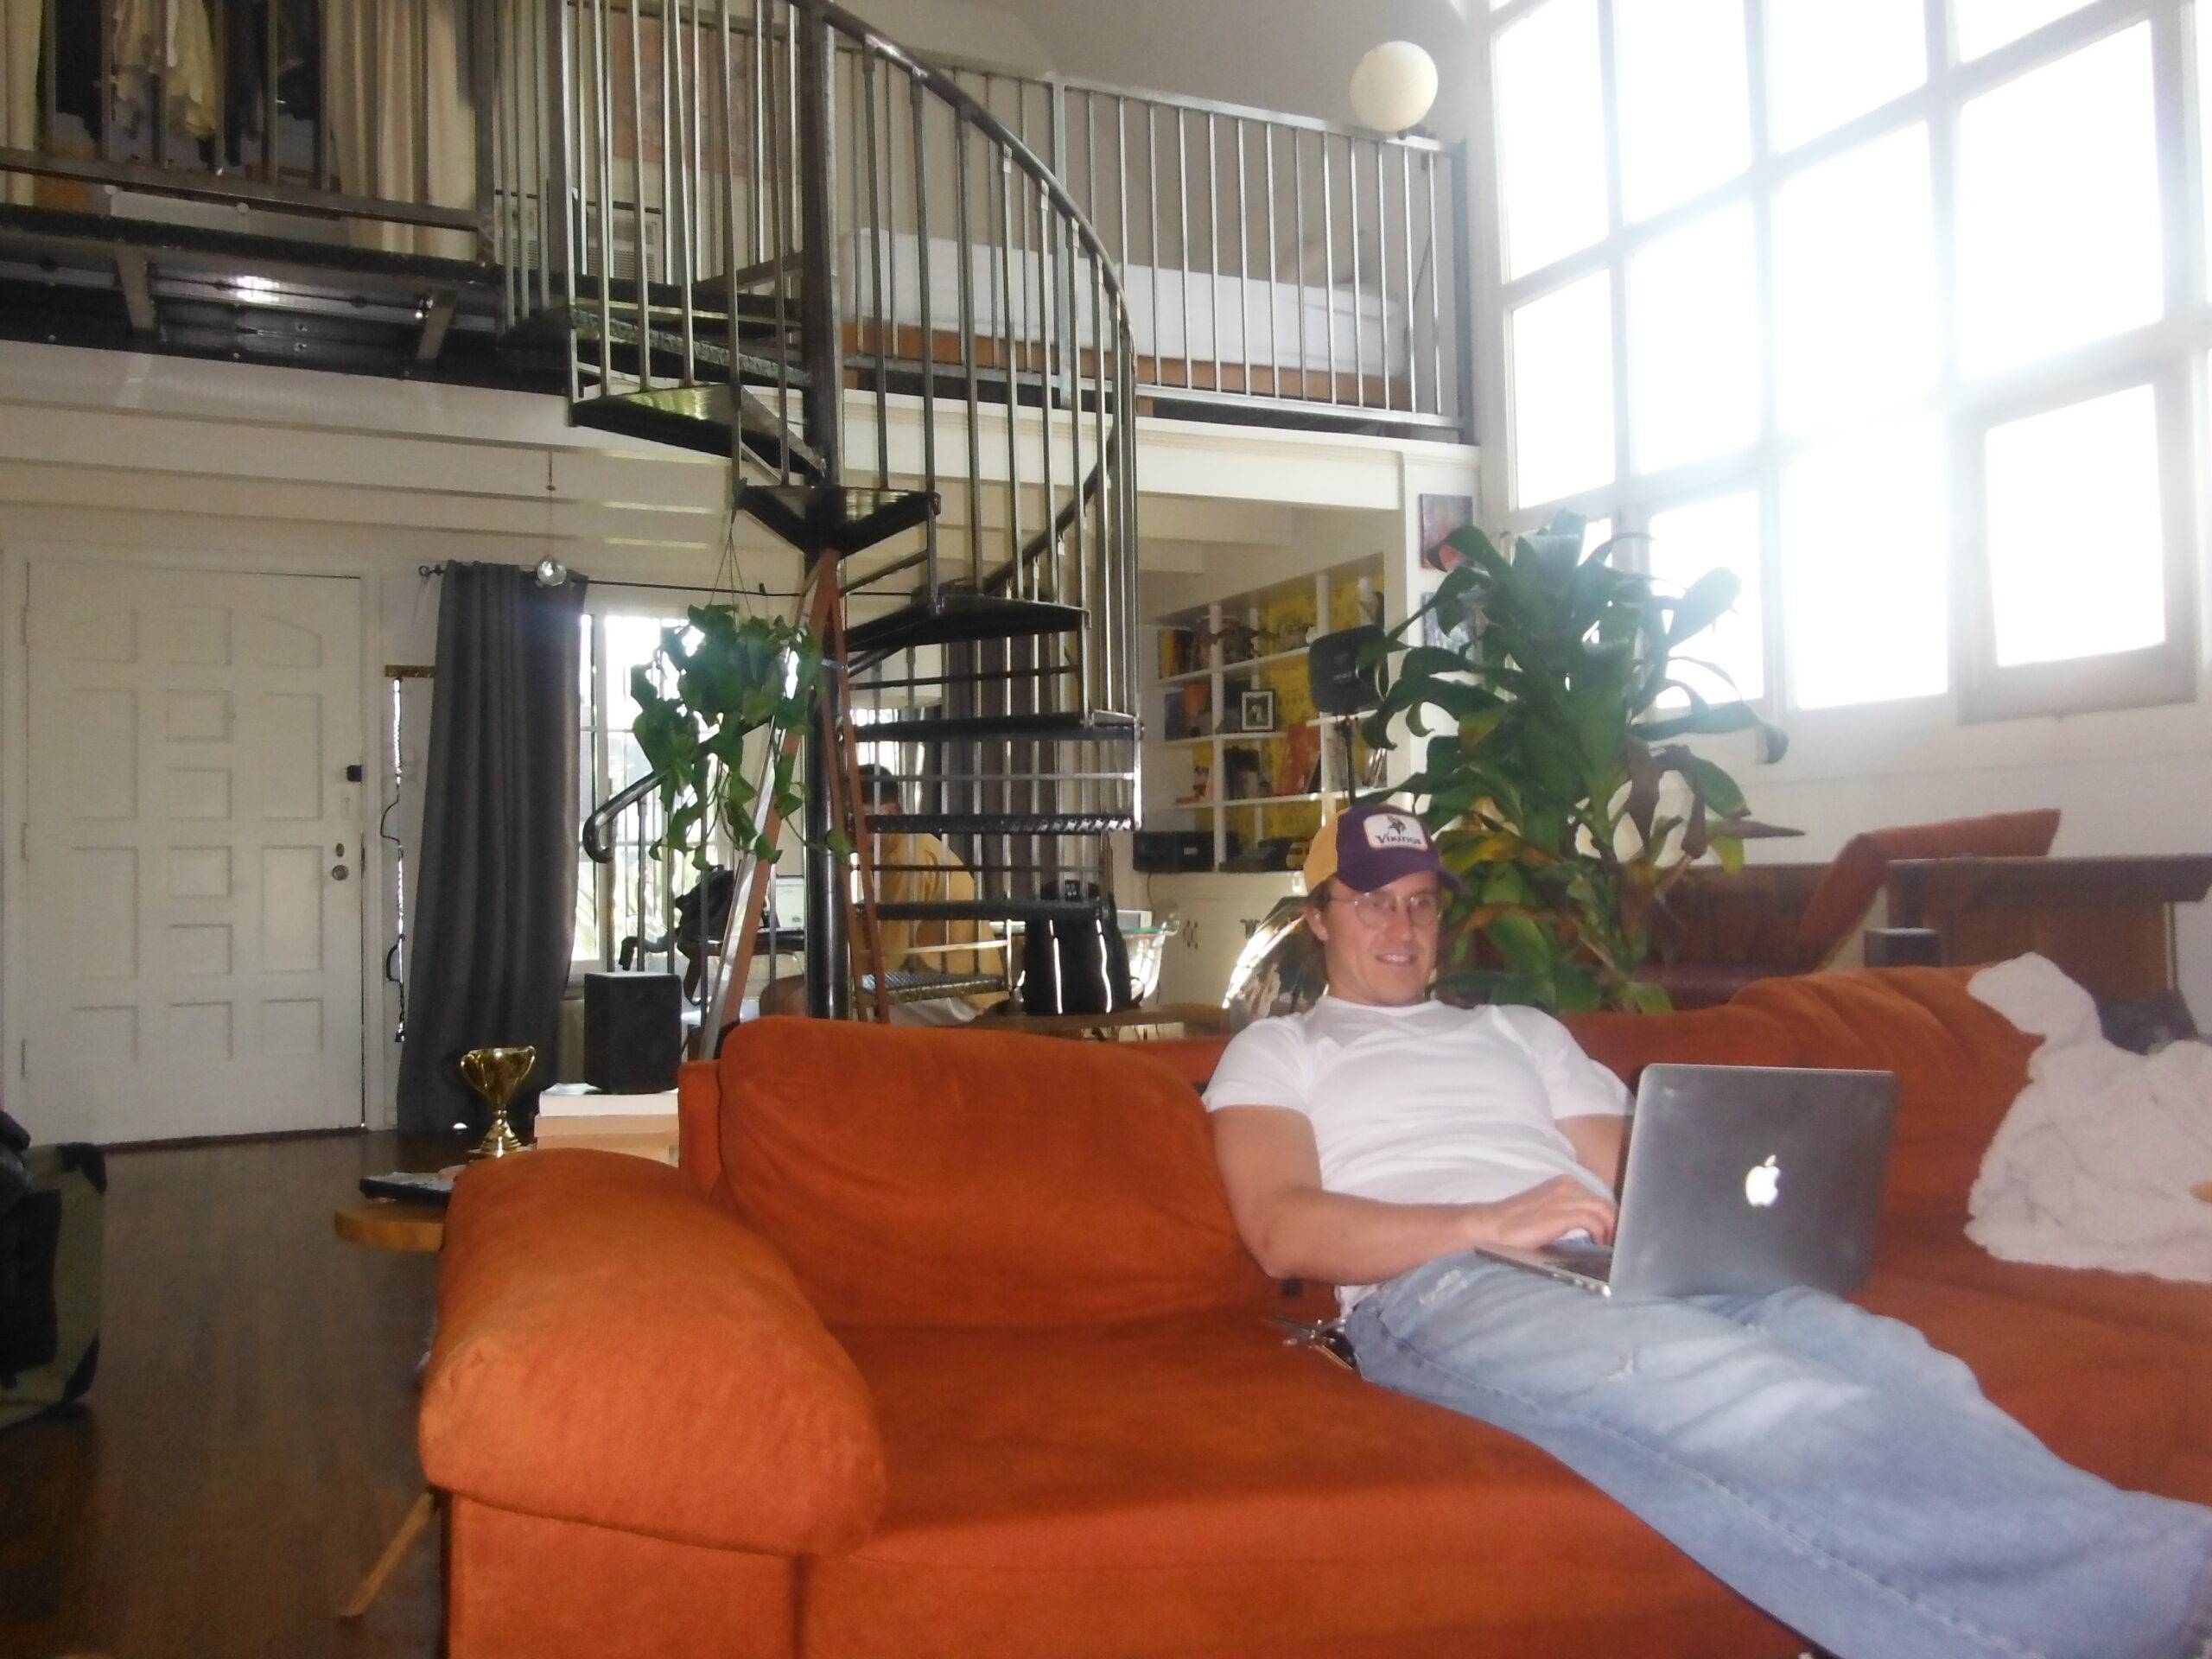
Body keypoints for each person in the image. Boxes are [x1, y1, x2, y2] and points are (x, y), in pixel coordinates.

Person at [1203, 802, 2212, 1659]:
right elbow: (1283, 1230)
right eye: (1372, 901)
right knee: (1757, 1396)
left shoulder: (1517, 1031)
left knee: (1902, 1368)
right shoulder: (1278, 1051)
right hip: (1448, 1280)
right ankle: (2175, 1595)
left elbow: (1640, 1171)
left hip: (1617, 1259)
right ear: (1318, 918)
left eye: (1422, 901)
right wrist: (1485, 1220)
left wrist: (1721, 1212)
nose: (1402, 925)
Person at [758, 764, 1001, 1024]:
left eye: (853, 819)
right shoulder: (894, 851)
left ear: (890, 813)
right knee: (774, 995)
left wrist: (832, 970)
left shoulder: (906, 858)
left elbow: (886, 959)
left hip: (957, 989)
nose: (845, 829)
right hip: (923, 974)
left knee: (799, 1003)